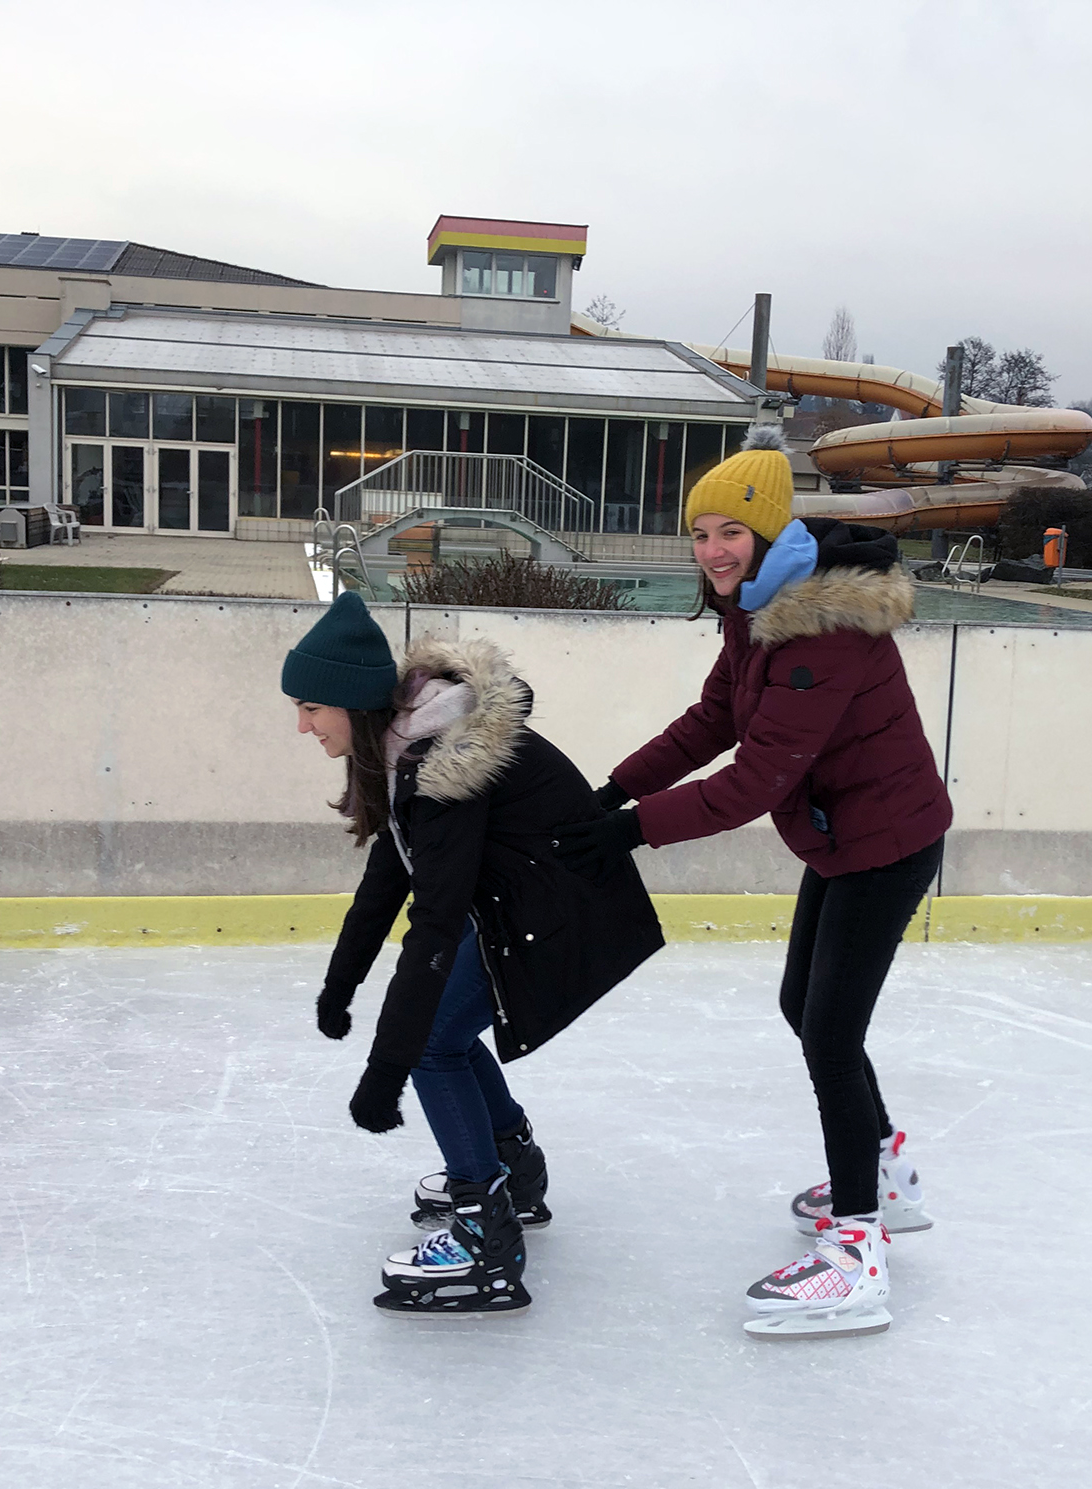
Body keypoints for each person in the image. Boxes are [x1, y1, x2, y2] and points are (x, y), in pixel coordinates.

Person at [554, 426, 952, 1340]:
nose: (713, 551)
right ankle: (884, 1176)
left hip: (886, 846)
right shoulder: (758, 610)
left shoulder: (823, 631)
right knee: (803, 1008)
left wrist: (628, 833)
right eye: (700, 534)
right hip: (845, 842)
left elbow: (756, 781)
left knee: (829, 1032)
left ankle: (856, 1252)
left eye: (730, 532)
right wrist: (613, 790)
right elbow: (713, 720)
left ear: (769, 534)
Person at [283, 593, 663, 1317]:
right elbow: (390, 875)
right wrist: (341, 986)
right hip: (536, 903)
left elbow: (434, 922)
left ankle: (485, 1235)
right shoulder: (406, 748)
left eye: (310, 708)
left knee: (431, 1041)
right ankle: (512, 1172)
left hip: (561, 914)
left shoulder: (441, 764)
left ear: (351, 703)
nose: (302, 726)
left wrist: (384, 1073)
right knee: (445, 1033)